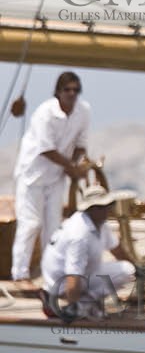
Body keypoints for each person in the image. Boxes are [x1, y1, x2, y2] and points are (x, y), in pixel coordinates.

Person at [11, 72, 92, 282]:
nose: (71, 94)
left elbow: (80, 144)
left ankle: (51, 275)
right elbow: (45, 149)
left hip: (56, 178)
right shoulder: (44, 113)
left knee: (54, 228)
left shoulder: (83, 111)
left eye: (75, 90)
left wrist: (73, 165)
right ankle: (20, 275)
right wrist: (71, 168)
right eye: (67, 89)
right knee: (30, 224)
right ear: (58, 91)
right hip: (32, 176)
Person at [39, 188, 135, 320]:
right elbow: (73, 275)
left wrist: (139, 269)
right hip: (61, 284)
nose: (107, 210)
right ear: (91, 209)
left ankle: (85, 300)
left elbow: (117, 249)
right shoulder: (79, 236)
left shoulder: (99, 223)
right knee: (125, 272)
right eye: (102, 207)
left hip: (80, 275)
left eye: (108, 206)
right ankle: (82, 304)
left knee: (129, 269)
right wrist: (74, 307)